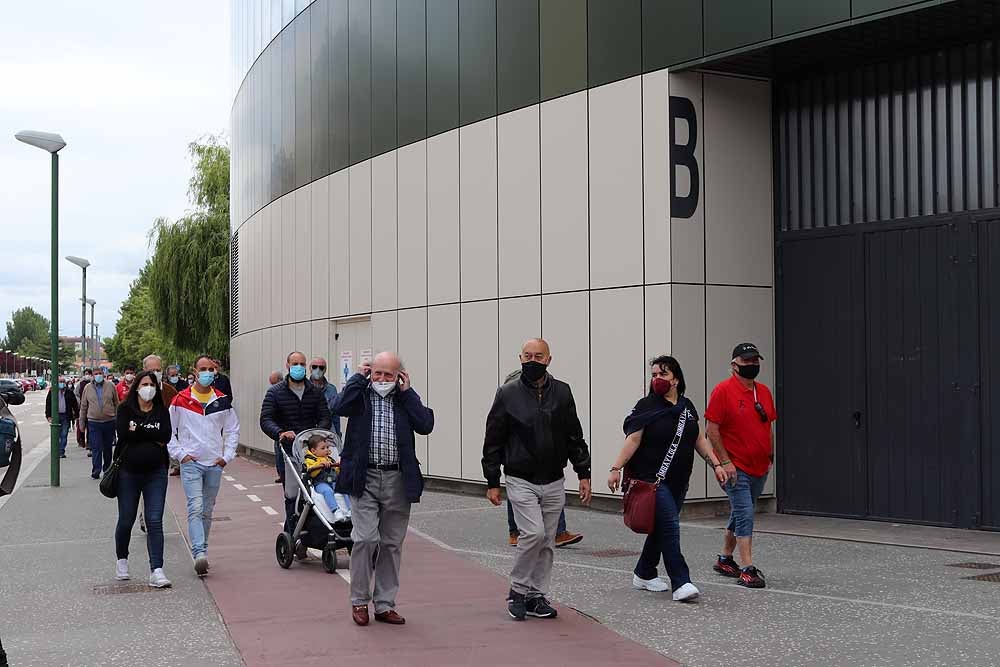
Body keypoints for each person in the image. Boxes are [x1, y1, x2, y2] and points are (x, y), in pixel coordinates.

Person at [482, 338, 592, 621]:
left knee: (547, 542)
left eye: (538, 356)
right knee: (533, 534)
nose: (533, 361)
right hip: (520, 478)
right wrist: (492, 480)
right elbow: (493, 438)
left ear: (549, 360)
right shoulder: (507, 393)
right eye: (528, 356)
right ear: (520, 357)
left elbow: (574, 435)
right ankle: (518, 591)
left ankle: (536, 595)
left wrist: (584, 473)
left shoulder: (563, 393)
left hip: (554, 478)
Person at [608, 356, 726, 602]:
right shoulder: (646, 406)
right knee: (670, 527)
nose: (657, 380)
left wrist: (716, 464)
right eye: (653, 375)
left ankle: (644, 572)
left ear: (676, 379)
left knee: (660, 530)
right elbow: (633, 439)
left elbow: (699, 440)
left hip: (679, 480)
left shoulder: (687, 406)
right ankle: (681, 582)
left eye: (662, 374)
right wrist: (615, 467)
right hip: (652, 480)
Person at [333, 352, 434, 627]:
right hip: (363, 478)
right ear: (369, 372)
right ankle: (359, 602)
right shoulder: (359, 395)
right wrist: (356, 378)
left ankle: (385, 604)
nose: (382, 379)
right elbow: (337, 406)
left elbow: (426, 425)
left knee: (391, 544)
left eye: (388, 374)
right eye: (377, 373)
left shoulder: (405, 400)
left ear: (399, 375)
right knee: (365, 539)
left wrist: (409, 391)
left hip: (397, 479)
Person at [705, 343, 777, 589]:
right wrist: (725, 462)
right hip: (735, 467)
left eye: (755, 361)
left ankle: (725, 559)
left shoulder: (764, 392)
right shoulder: (723, 391)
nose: (752, 365)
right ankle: (747, 568)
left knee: (740, 512)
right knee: (745, 512)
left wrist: (770, 457)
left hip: (759, 466)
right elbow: (711, 430)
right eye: (746, 362)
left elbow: (768, 426)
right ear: (734, 365)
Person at [168, 355, 240, 576]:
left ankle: (203, 549)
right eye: (203, 369)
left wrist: (226, 456)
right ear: (195, 371)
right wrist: (181, 455)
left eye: (211, 369)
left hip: (214, 464)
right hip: (191, 463)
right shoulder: (180, 399)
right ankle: (199, 553)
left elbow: (232, 429)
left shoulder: (222, 400)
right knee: (196, 507)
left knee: (207, 511)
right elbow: (169, 432)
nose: (208, 372)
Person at [113, 370, 173, 588]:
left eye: (152, 384)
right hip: (128, 473)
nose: (149, 388)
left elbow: (165, 436)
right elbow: (124, 434)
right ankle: (122, 560)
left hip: (156, 473)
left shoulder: (161, 411)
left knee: (154, 520)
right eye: (145, 383)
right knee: (126, 519)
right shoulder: (124, 410)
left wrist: (138, 429)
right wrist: (149, 434)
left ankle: (156, 569)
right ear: (137, 387)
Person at [260, 351, 332, 515]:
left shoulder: (315, 392)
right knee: (292, 495)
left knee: (315, 491)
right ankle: (292, 529)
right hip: (287, 451)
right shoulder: (275, 393)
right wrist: (280, 432)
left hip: (311, 451)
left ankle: (313, 529)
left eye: (301, 364)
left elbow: (325, 417)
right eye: (295, 364)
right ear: (287, 366)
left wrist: (316, 433)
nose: (298, 367)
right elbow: (266, 419)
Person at [80, 368, 120, 479]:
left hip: (109, 421)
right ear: (92, 376)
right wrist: (81, 423)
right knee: (96, 447)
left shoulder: (111, 386)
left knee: (107, 448)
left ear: (104, 374)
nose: (98, 376)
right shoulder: (88, 388)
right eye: (96, 374)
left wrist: (118, 420)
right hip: (94, 422)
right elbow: (83, 406)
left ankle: (107, 469)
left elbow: (117, 403)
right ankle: (96, 470)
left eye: (100, 374)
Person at [302, 433, 351, 522]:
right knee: (328, 491)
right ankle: (336, 510)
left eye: (327, 447)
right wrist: (320, 464)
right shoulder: (310, 460)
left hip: (333, 481)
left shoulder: (330, 459)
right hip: (320, 483)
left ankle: (350, 509)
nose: (327, 450)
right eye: (323, 448)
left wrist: (338, 467)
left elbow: (336, 471)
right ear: (313, 451)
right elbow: (311, 473)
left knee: (344, 488)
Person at [45, 376, 79, 458]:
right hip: (55, 416)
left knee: (64, 434)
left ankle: (61, 451)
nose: (62, 383)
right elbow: (48, 404)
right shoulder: (52, 392)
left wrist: (77, 416)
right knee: (56, 435)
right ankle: (56, 450)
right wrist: (48, 416)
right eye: (60, 382)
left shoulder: (69, 392)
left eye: (63, 382)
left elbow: (74, 404)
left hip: (66, 416)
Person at [309, 356, 341, 437]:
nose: (318, 370)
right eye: (315, 367)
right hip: (309, 431)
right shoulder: (304, 387)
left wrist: (337, 435)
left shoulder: (332, 389)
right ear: (310, 368)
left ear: (325, 370)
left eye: (321, 367)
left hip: (328, 432)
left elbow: (335, 415)